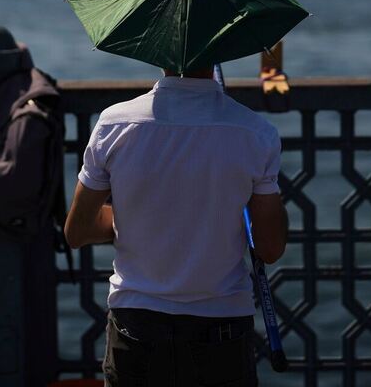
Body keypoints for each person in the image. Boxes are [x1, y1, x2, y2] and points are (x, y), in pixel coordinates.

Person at [64, 65, 288, 386]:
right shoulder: (255, 132)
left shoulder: (114, 124)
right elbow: (270, 247)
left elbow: (76, 231)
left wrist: (135, 216)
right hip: (220, 325)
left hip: (136, 322)